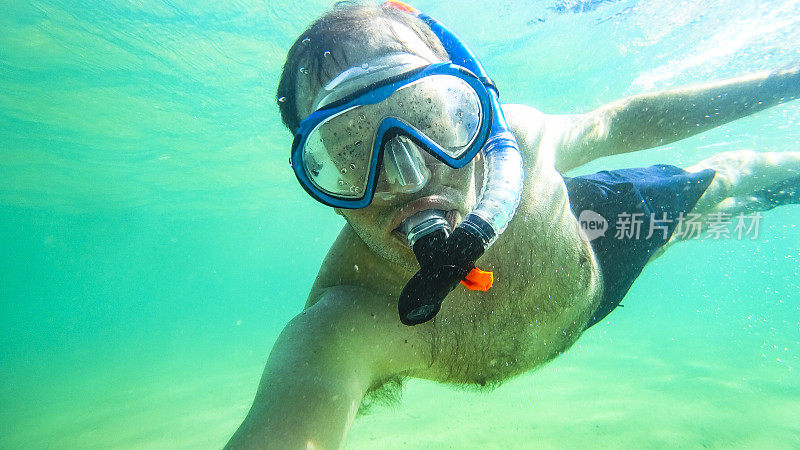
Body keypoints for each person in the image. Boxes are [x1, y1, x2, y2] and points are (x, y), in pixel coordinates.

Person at [226, 1, 799, 448]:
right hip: (585, 284)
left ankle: (751, 183)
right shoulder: (342, 320)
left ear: (473, 111)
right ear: (323, 186)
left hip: (600, 239)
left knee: (715, 189)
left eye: (430, 118)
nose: (408, 177)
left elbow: (616, 122)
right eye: (351, 154)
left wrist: (781, 84)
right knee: (703, 220)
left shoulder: (521, 143)